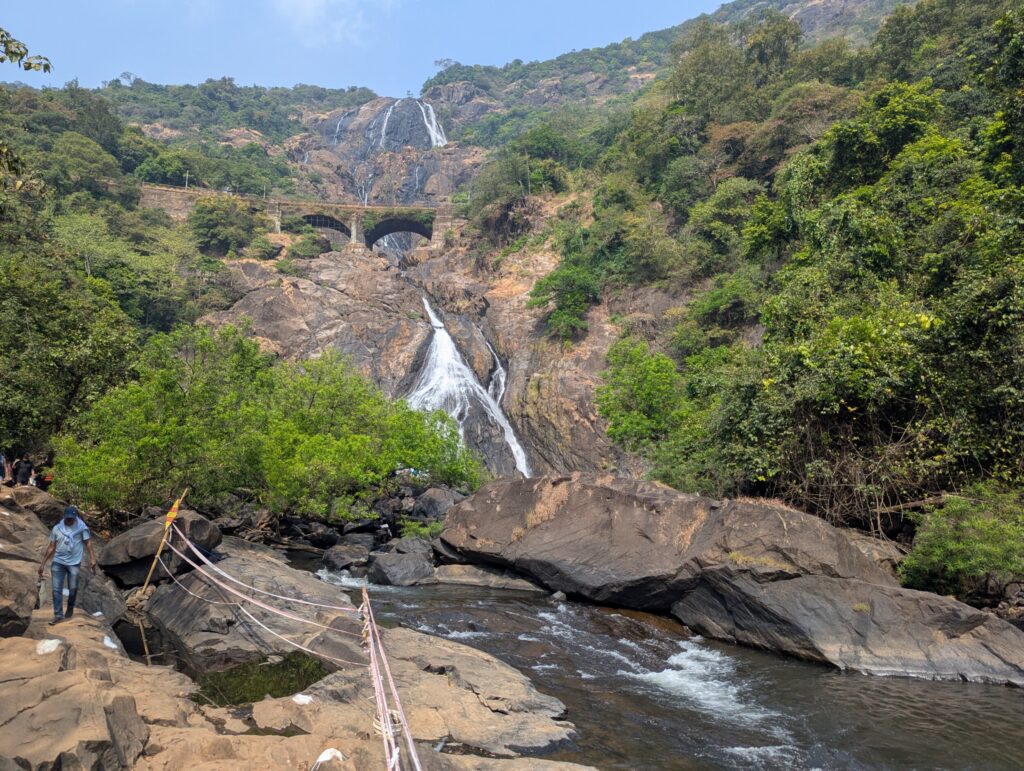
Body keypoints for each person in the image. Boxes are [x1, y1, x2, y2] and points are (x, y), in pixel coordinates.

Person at [37, 506, 98, 625]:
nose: (69, 521)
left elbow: (88, 542)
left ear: (75, 517)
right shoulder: (57, 529)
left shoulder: (82, 529)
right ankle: (58, 614)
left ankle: (70, 607)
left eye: (71, 518)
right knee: (56, 590)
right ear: (64, 517)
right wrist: (43, 564)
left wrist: (92, 558)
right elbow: (51, 547)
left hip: (74, 563)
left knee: (73, 588)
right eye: (67, 518)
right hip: (58, 563)